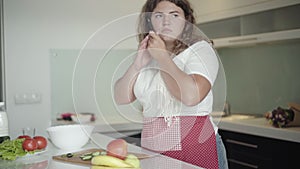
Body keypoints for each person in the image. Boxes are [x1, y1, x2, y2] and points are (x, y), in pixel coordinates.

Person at [114, 0, 228, 169]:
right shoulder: (147, 56)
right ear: (149, 21)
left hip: (196, 147)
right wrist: (137, 64)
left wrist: (162, 58)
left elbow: (191, 96)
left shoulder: (200, 50)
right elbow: (120, 97)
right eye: (159, 15)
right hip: (154, 149)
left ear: (186, 21)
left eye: (175, 15)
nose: (166, 21)